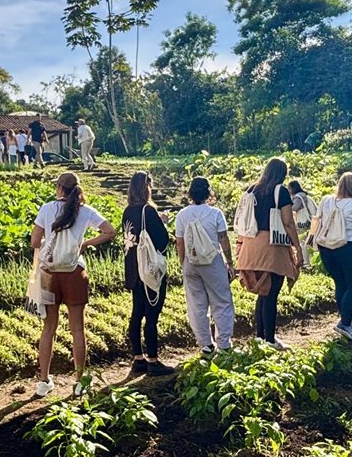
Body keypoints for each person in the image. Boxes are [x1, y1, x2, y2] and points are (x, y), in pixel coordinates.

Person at [30, 172, 115, 398]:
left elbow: (34, 241)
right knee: (77, 329)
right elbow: (110, 231)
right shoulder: (86, 211)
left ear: (59, 188)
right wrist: (85, 243)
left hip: (49, 273)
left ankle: (43, 381)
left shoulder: (47, 209)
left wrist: (48, 243)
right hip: (74, 272)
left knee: (49, 328)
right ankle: (79, 381)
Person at [235, 158, 303, 349]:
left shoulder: (252, 190)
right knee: (272, 292)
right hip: (271, 245)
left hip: (251, 243)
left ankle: (260, 336)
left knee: (262, 292)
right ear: (282, 174)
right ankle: (270, 339)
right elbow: (288, 222)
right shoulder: (280, 191)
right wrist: (297, 247)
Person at [310, 172, 352, 342]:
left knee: (340, 283)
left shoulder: (326, 200)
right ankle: (345, 322)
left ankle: (346, 314)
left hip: (327, 247)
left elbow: (318, 220)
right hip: (351, 247)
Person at [174, 177, 236, 354]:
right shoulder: (215, 213)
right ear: (208, 193)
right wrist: (230, 262)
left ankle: (205, 344)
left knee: (197, 305)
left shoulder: (182, 215)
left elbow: (180, 242)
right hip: (212, 261)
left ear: (190, 193)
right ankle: (224, 344)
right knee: (221, 301)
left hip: (191, 262)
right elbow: (223, 239)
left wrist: (183, 262)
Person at [122, 172, 174, 375]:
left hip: (133, 269)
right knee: (152, 315)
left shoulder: (127, 210)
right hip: (149, 270)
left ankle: (138, 359)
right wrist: (164, 222)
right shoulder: (148, 210)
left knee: (137, 313)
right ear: (146, 187)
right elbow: (162, 241)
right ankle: (153, 360)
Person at [287, 180, 317, 274]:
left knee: (303, 243)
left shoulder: (298, 197)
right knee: (309, 242)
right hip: (309, 223)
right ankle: (310, 263)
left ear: (292, 188)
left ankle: (305, 264)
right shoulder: (305, 196)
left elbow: (294, 208)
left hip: (302, 224)